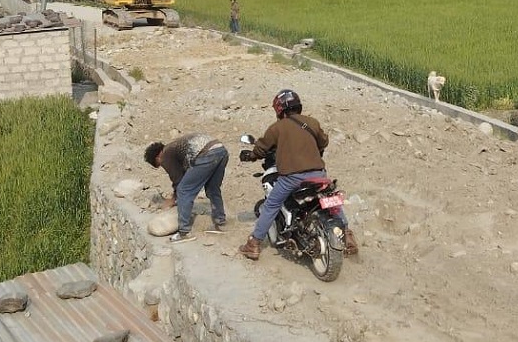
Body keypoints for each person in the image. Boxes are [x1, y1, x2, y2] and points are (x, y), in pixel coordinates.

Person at [239, 89, 359, 260]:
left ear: (279, 109)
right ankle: (347, 234)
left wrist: (250, 156)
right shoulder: (312, 122)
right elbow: (323, 141)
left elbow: (261, 148)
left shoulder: (277, 128)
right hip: (319, 174)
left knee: (271, 205)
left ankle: (254, 244)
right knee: (330, 200)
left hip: (292, 178)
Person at [145, 134, 229, 243]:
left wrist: (173, 199)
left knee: (184, 191)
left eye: (159, 164)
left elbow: (178, 181)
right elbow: (186, 174)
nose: (164, 166)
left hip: (207, 154)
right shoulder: (175, 148)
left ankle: (184, 232)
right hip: (221, 150)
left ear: (158, 157)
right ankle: (220, 222)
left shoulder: (166, 154)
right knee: (212, 188)